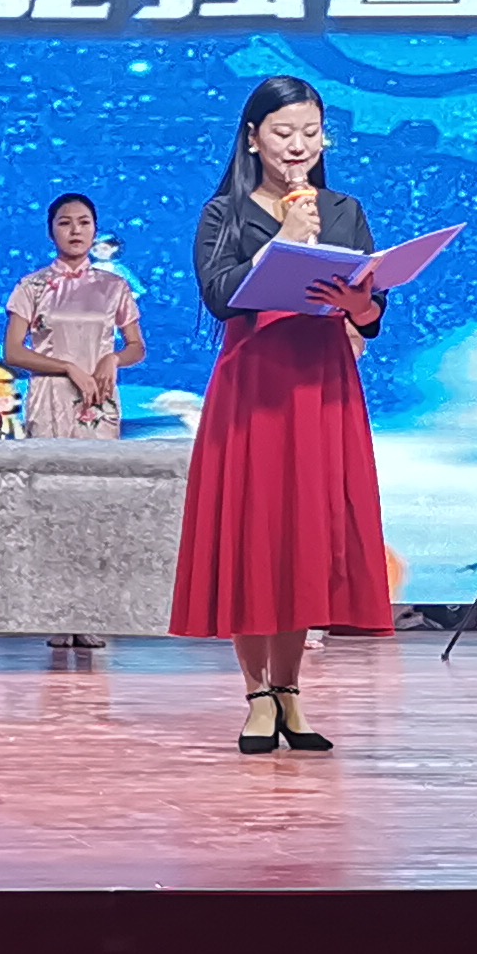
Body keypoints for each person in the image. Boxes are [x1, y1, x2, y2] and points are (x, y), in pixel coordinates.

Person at [167, 75, 393, 751]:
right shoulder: (225, 213)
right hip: (254, 386)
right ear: (252, 138)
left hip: (322, 383)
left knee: (303, 535)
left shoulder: (346, 210)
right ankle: (256, 694)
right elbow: (220, 295)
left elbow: (372, 308)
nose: (298, 146)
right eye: (283, 132)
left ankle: (290, 690)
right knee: (255, 532)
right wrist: (283, 239)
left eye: (310, 132)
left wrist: (361, 307)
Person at [3, 192, 149, 666]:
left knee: (96, 503)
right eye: (65, 222)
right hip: (50, 398)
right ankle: (56, 614)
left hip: (97, 403)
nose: (75, 230)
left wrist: (111, 359)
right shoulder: (33, 285)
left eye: (84, 222)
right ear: (52, 231)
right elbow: (13, 352)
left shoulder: (114, 286)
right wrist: (67, 366)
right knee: (52, 503)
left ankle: (90, 613)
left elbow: (137, 346)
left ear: (95, 230)